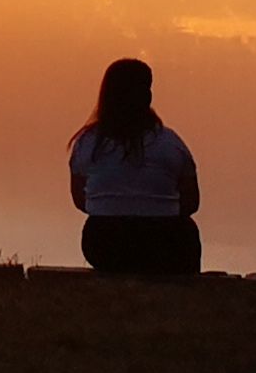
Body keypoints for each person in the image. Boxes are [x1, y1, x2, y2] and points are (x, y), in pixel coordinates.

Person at [66, 57, 202, 275]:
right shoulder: (170, 143)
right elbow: (191, 202)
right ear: (147, 96)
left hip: (104, 242)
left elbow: (81, 200)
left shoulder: (86, 144)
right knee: (187, 229)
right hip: (165, 242)